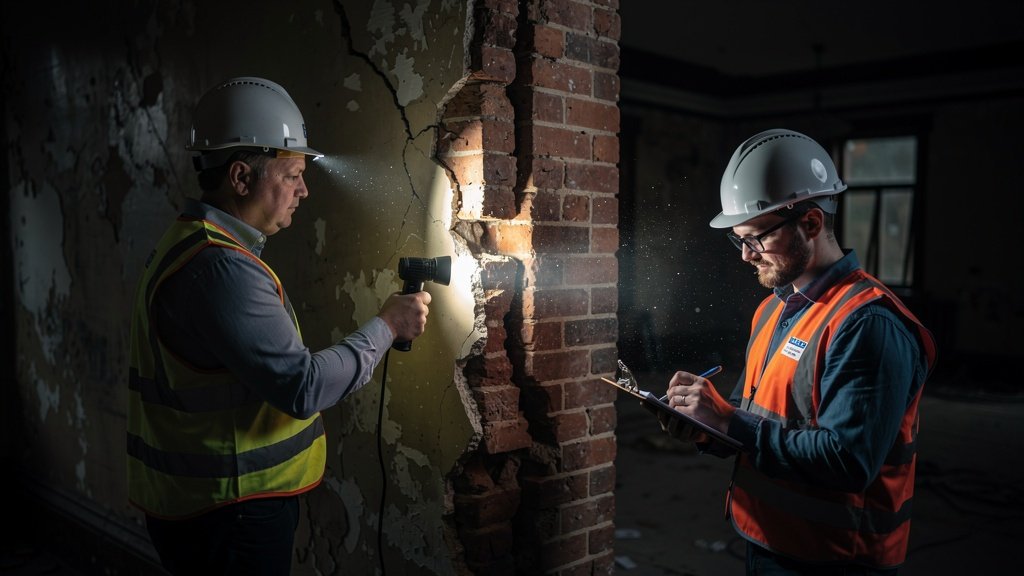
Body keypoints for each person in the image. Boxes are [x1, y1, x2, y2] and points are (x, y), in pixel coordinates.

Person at [126, 76, 432, 575]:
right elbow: (302, 387)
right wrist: (387, 326)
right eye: (292, 175)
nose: (304, 190)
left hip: (211, 508)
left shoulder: (192, 245)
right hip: (230, 513)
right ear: (242, 178)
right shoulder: (219, 269)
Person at [654, 129, 936, 575]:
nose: (746, 256)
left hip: (836, 560)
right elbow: (763, 418)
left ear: (810, 224)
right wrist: (708, 425)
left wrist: (729, 419)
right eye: (739, 240)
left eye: (755, 239)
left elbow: (847, 461)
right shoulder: (772, 310)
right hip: (768, 540)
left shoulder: (868, 324)